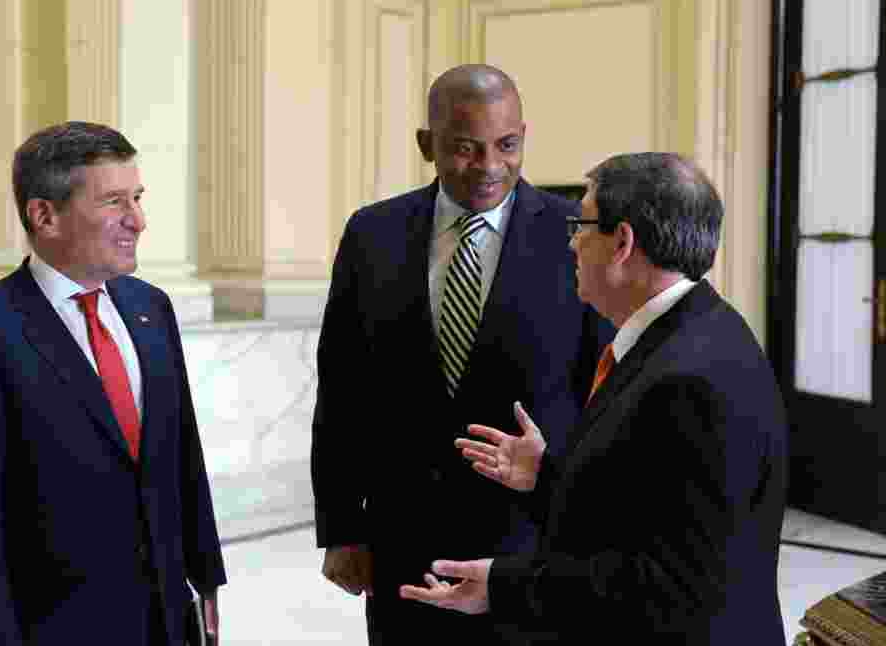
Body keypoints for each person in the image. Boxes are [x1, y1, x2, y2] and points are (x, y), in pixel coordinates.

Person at [400, 152, 788, 644]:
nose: (573, 244)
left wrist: (504, 586)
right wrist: (546, 477)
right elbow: (639, 512)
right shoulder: (691, 330)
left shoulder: (692, 381)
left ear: (622, 242)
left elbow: (667, 587)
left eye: (581, 225)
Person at [310, 64, 613, 644]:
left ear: (524, 135)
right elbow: (343, 389)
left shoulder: (575, 235)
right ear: (428, 145)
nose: (490, 167)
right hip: (405, 543)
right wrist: (343, 528)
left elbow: (601, 391)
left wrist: (586, 522)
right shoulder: (372, 235)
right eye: (466, 150)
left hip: (531, 544)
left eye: (507, 146)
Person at [0, 122, 226, 646]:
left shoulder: (151, 309)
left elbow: (182, 457)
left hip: (167, 619)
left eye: (138, 197)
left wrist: (205, 579)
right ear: (45, 214)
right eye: (113, 202)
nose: (138, 220)